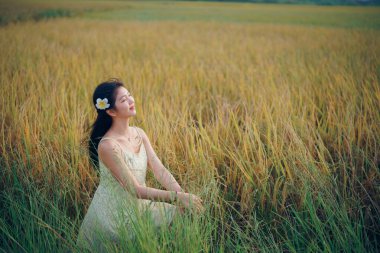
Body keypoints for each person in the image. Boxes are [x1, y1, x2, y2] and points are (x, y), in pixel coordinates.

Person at [76, 78, 205, 252]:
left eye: (130, 95)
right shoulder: (108, 145)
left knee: (182, 213)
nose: (131, 101)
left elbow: (160, 170)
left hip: (140, 206)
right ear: (112, 111)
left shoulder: (139, 133)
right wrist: (178, 198)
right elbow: (134, 189)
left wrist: (183, 196)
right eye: (123, 100)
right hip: (114, 216)